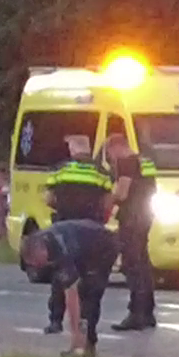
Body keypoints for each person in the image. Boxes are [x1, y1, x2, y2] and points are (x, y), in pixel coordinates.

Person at [41, 137, 113, 335]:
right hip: (92, 229)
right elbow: (108, 201)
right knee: (89, 276)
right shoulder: (102, 171)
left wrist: (61, 208)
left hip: (64, 228)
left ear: (72, 148)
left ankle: (56, 320)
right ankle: (85, 323)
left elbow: (48, 198)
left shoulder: (60, 169)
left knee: (61, 275)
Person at [19, 219, 119, 357]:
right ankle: (80, 344)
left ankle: (84, 346)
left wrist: (75, 333)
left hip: (103, 248)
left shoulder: (61, 249)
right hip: (84, 247)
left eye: (38, 262)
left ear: (41, 250)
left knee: (89, 295)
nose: (39, 266)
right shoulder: (42, 241)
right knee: (79, 290)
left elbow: (72, 297)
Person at [104, 133, 158, 332]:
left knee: (131, 264)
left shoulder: (126, 163)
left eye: (109, 154)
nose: (111, 159)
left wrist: (108, 199)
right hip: (145, 215)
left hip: (131, 218)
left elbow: (122, 193)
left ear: (115, 148)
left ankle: (136, 313)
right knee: (143, 262)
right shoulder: (145, 162)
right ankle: (148, 312)